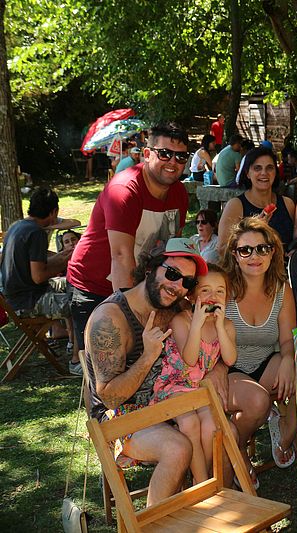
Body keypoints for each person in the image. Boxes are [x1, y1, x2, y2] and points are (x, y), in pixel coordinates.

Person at [83, 238, 208, 506]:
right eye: (172, 274)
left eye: (187, 282)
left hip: (162, 403)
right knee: (178, 449)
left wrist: (219, 370)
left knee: (217, 425)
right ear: (151, 268)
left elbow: (205, 341)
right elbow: (109, 399)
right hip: (118, 417)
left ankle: (207, 502)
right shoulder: (110, 319)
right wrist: (149, 355)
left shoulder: (172, 307)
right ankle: (154, 521)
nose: (177, 286)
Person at [67, 122, 190, 375]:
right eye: (164, 153)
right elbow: (121, 257)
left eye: (181, 156)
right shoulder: (124, 189)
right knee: (105, 375)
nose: (173, 162)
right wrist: (132, 316)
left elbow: (170, 254)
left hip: (140, 285)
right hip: (95, 284)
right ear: (147, 154)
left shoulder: (179, 193)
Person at [219, 218, 297, 476]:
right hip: (229, 367)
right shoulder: (224, 289)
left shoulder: (281, 290)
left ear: (272, 251)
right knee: (257, 401)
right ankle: (237, 449)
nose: (255, 256)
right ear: (235, 255)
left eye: (262, 248)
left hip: (267, 361)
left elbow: (287, 339)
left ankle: (284, 433)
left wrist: (287, 359)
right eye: (245, 250)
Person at [150, 264, 237, 485]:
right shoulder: (182, 322)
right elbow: (189, 359)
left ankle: (203, 476)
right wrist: (197, 325)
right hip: (173, 385)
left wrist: (219, 326)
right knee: (189, 423)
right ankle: (202, 483)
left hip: (198, 388)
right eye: (205, 290)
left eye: (220, 291)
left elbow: (229, 360)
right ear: (192, 296)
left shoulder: (226, 325)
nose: (212, 296)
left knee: (210, 426)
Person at [0, 188, 73, 324]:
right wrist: (64, 262)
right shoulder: (36, 232)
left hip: (15, 299)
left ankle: (71, 341)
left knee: (73, 281)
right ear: (53, 212)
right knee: (81, 302)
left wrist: (61, 256)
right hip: (28, 302)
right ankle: (78, 345)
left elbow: (33, 267)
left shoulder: (17, 226)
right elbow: (38, 276)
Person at [218, 146, 296, 251]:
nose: (264, 173)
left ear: (275, 172)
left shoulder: (288, 204)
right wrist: (251, 231)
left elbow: (296, 242)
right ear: (248, 173)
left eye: (269, 168)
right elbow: (222, 249)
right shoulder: (235, 206)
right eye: (257, 168)